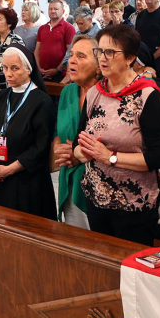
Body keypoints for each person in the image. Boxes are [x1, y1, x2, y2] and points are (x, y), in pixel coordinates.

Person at [74, 24, 160, 244]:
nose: (102, 58)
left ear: (130, 58)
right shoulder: (94, 93)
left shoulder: (147, 95)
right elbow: (77, 146)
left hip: (133, 204)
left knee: (130, 272)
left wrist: (109, 156)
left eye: (110, 52)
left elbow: (159, 157)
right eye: (100, 51)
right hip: (96, 199)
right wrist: (84, 153)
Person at [0, 44, 57, 216]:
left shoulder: (42, 102)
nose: (8, 73)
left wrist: (8, 170)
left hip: (27, 184)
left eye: (15, 68)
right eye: (5, 68)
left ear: (28, 70)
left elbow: (40, 147)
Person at [53, 35, 101, 229]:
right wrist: (58, 148)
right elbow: (58, 131)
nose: (72, 60)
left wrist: (77, 155)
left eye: (81, 56)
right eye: (71, 55)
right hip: (69, 178)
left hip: (97, 184)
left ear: (99, 66)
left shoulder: (105, 94)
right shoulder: (68, 92)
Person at [0, 8, 25, 93]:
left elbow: (20, 65)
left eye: (0, 19)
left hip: (12, 87)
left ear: (9, 23)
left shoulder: (16, 41)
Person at [35, 0, 75, 80]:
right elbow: (37, 50)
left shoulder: (68, 28)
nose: (52, 11)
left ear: (63, 11)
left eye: (56, 9)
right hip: (42, 73)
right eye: (50, 9)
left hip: (60, 74)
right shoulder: (42, 28)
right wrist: (38, 68)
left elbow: (70, 52)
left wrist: (57, 69)